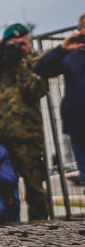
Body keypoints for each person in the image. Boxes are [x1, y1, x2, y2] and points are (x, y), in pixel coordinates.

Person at [0, 23, 49, 221]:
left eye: (23, 44)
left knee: (35, 189)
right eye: (14, 44)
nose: (19, 48)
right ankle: (9, 234)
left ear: (29, 43)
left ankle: (42, 232)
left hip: (27, 135)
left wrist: (18, 63)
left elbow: (37, 90)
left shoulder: (34, 61)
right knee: (4, 190)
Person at [35, 13, 85, 175]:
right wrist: (62, 49)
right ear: (79, 31)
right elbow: (41, 69)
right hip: (79, 127)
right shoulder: (71, 55)